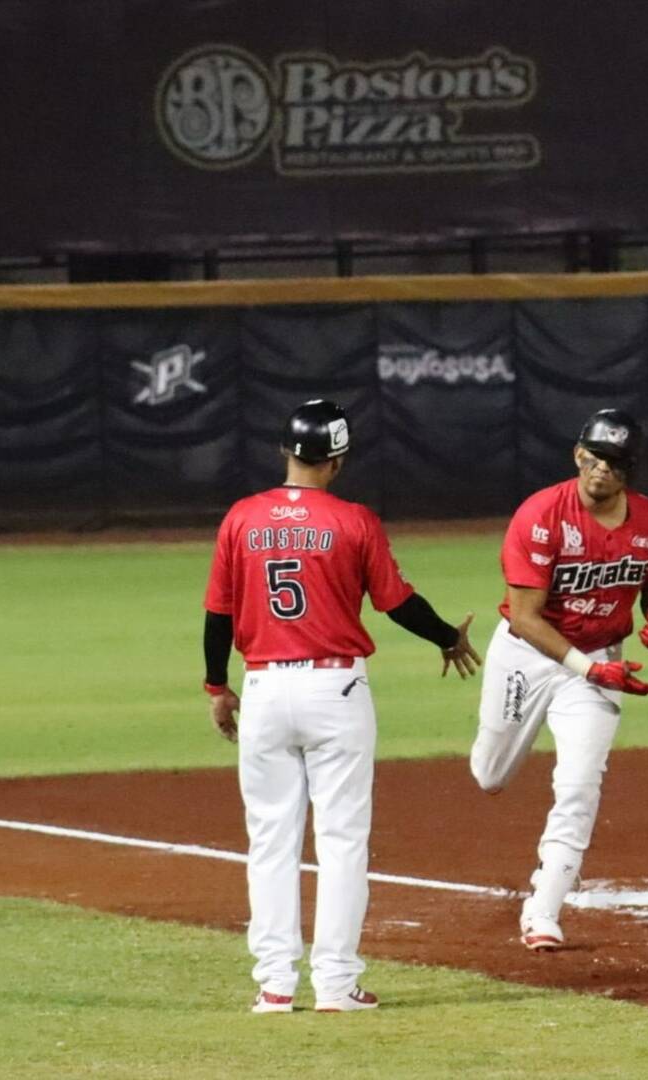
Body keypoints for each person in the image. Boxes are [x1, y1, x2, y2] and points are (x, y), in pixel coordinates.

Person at [203, 399, 480, 1014]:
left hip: (265, 688)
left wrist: (217, 688)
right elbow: (396, 602)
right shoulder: (354, 521)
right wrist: (447, 637)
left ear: (285, 450)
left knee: (270, 841)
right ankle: (334, 983)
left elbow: (218, 613)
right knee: (342, 840)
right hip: (336, 692)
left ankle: (275, 985)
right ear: (337, 459)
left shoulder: (242, 518)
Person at [469, 408, 648, 952]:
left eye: (615, 461)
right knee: (490, 774)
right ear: (578, 454)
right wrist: (588, 667)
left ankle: (544, 908)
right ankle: (544, 894)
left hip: (599, 660)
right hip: (527, 656)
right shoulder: (541, 515)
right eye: (595, 456)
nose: (602, 468)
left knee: (580, 784)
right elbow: (525, 616)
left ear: (630, 469)